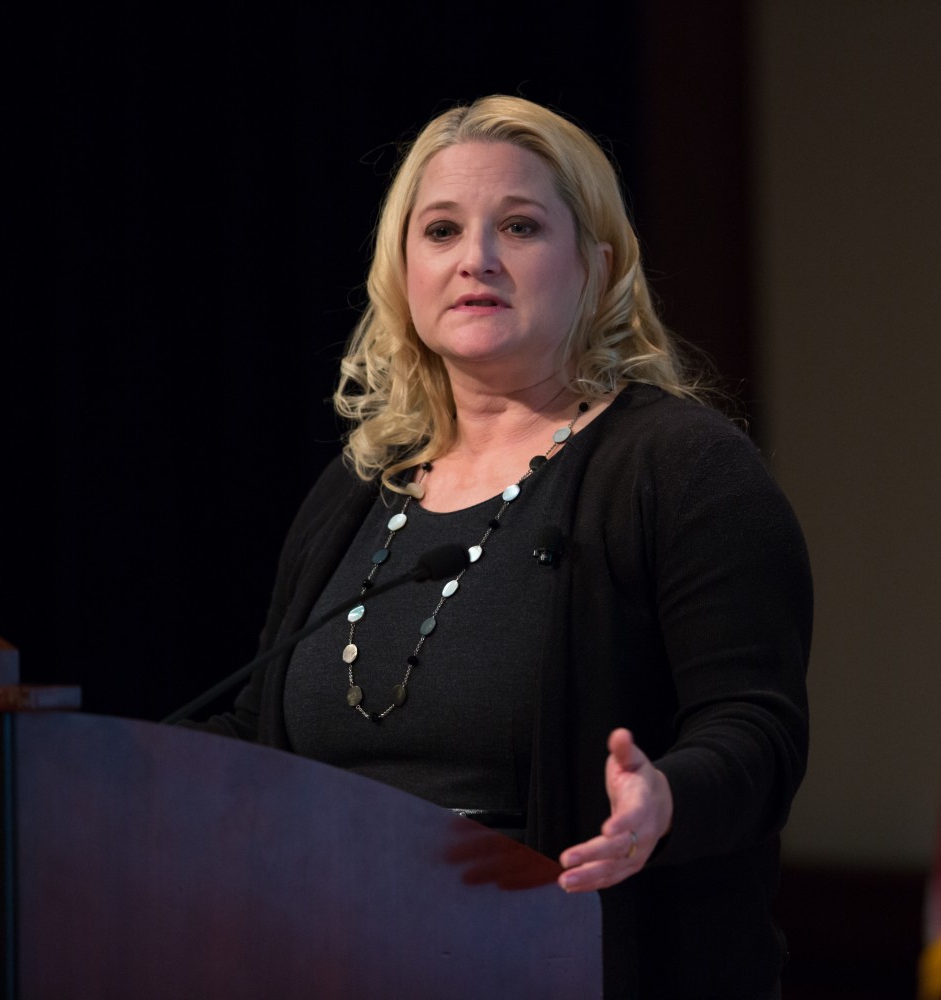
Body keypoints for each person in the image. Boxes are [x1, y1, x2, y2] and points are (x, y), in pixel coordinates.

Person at [192, 95, 812, 998]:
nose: (476, 258)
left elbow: (757, 729)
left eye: (519, 226)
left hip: (576, 959)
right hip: (332, 955)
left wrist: (663, 801)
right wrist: (71, 769)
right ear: (403, 269)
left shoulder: (681, 468)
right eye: (441, 230)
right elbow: (258, 731)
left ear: (596, 267)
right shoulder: (363, 488)